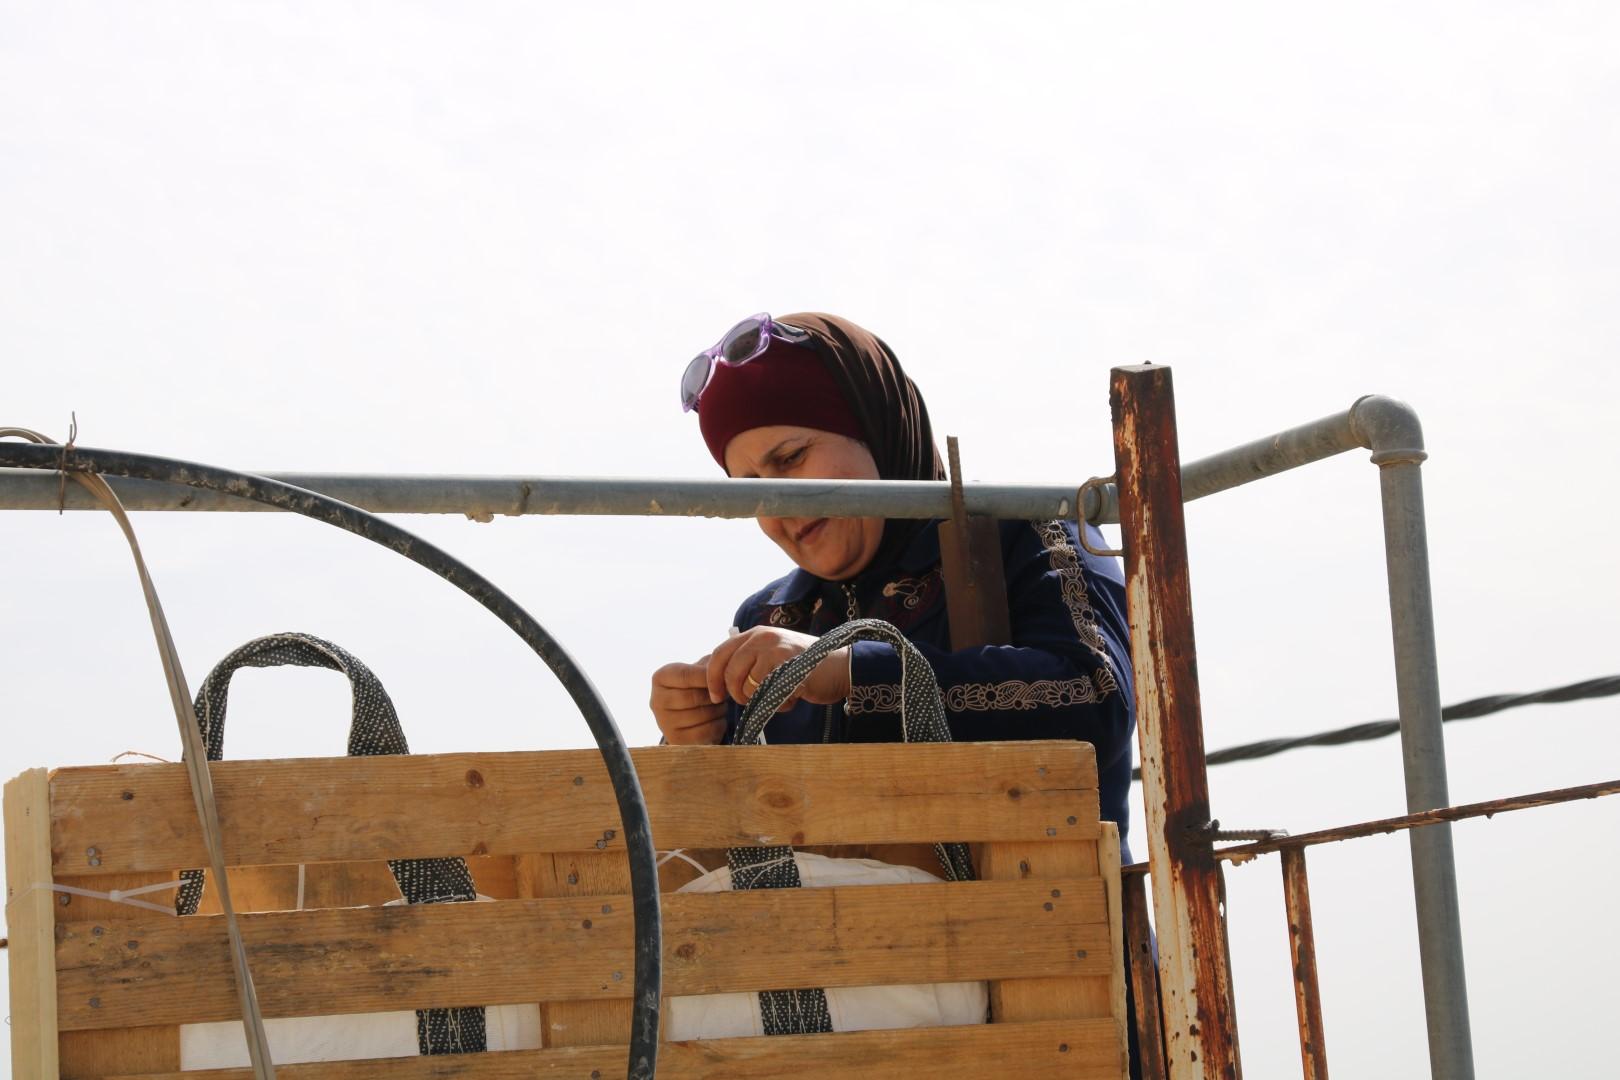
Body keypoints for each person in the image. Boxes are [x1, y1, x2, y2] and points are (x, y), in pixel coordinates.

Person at [650, 311, 1136, 862]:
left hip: (1038, 914)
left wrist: (853, 670)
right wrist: (694, 738)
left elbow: (1098, 699)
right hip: (820, 922)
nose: (778, 502)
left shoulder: (1030, 531)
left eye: (791, 458)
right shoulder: (770, 616)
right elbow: (734, 832)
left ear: (873, 429)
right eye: (750, 488)